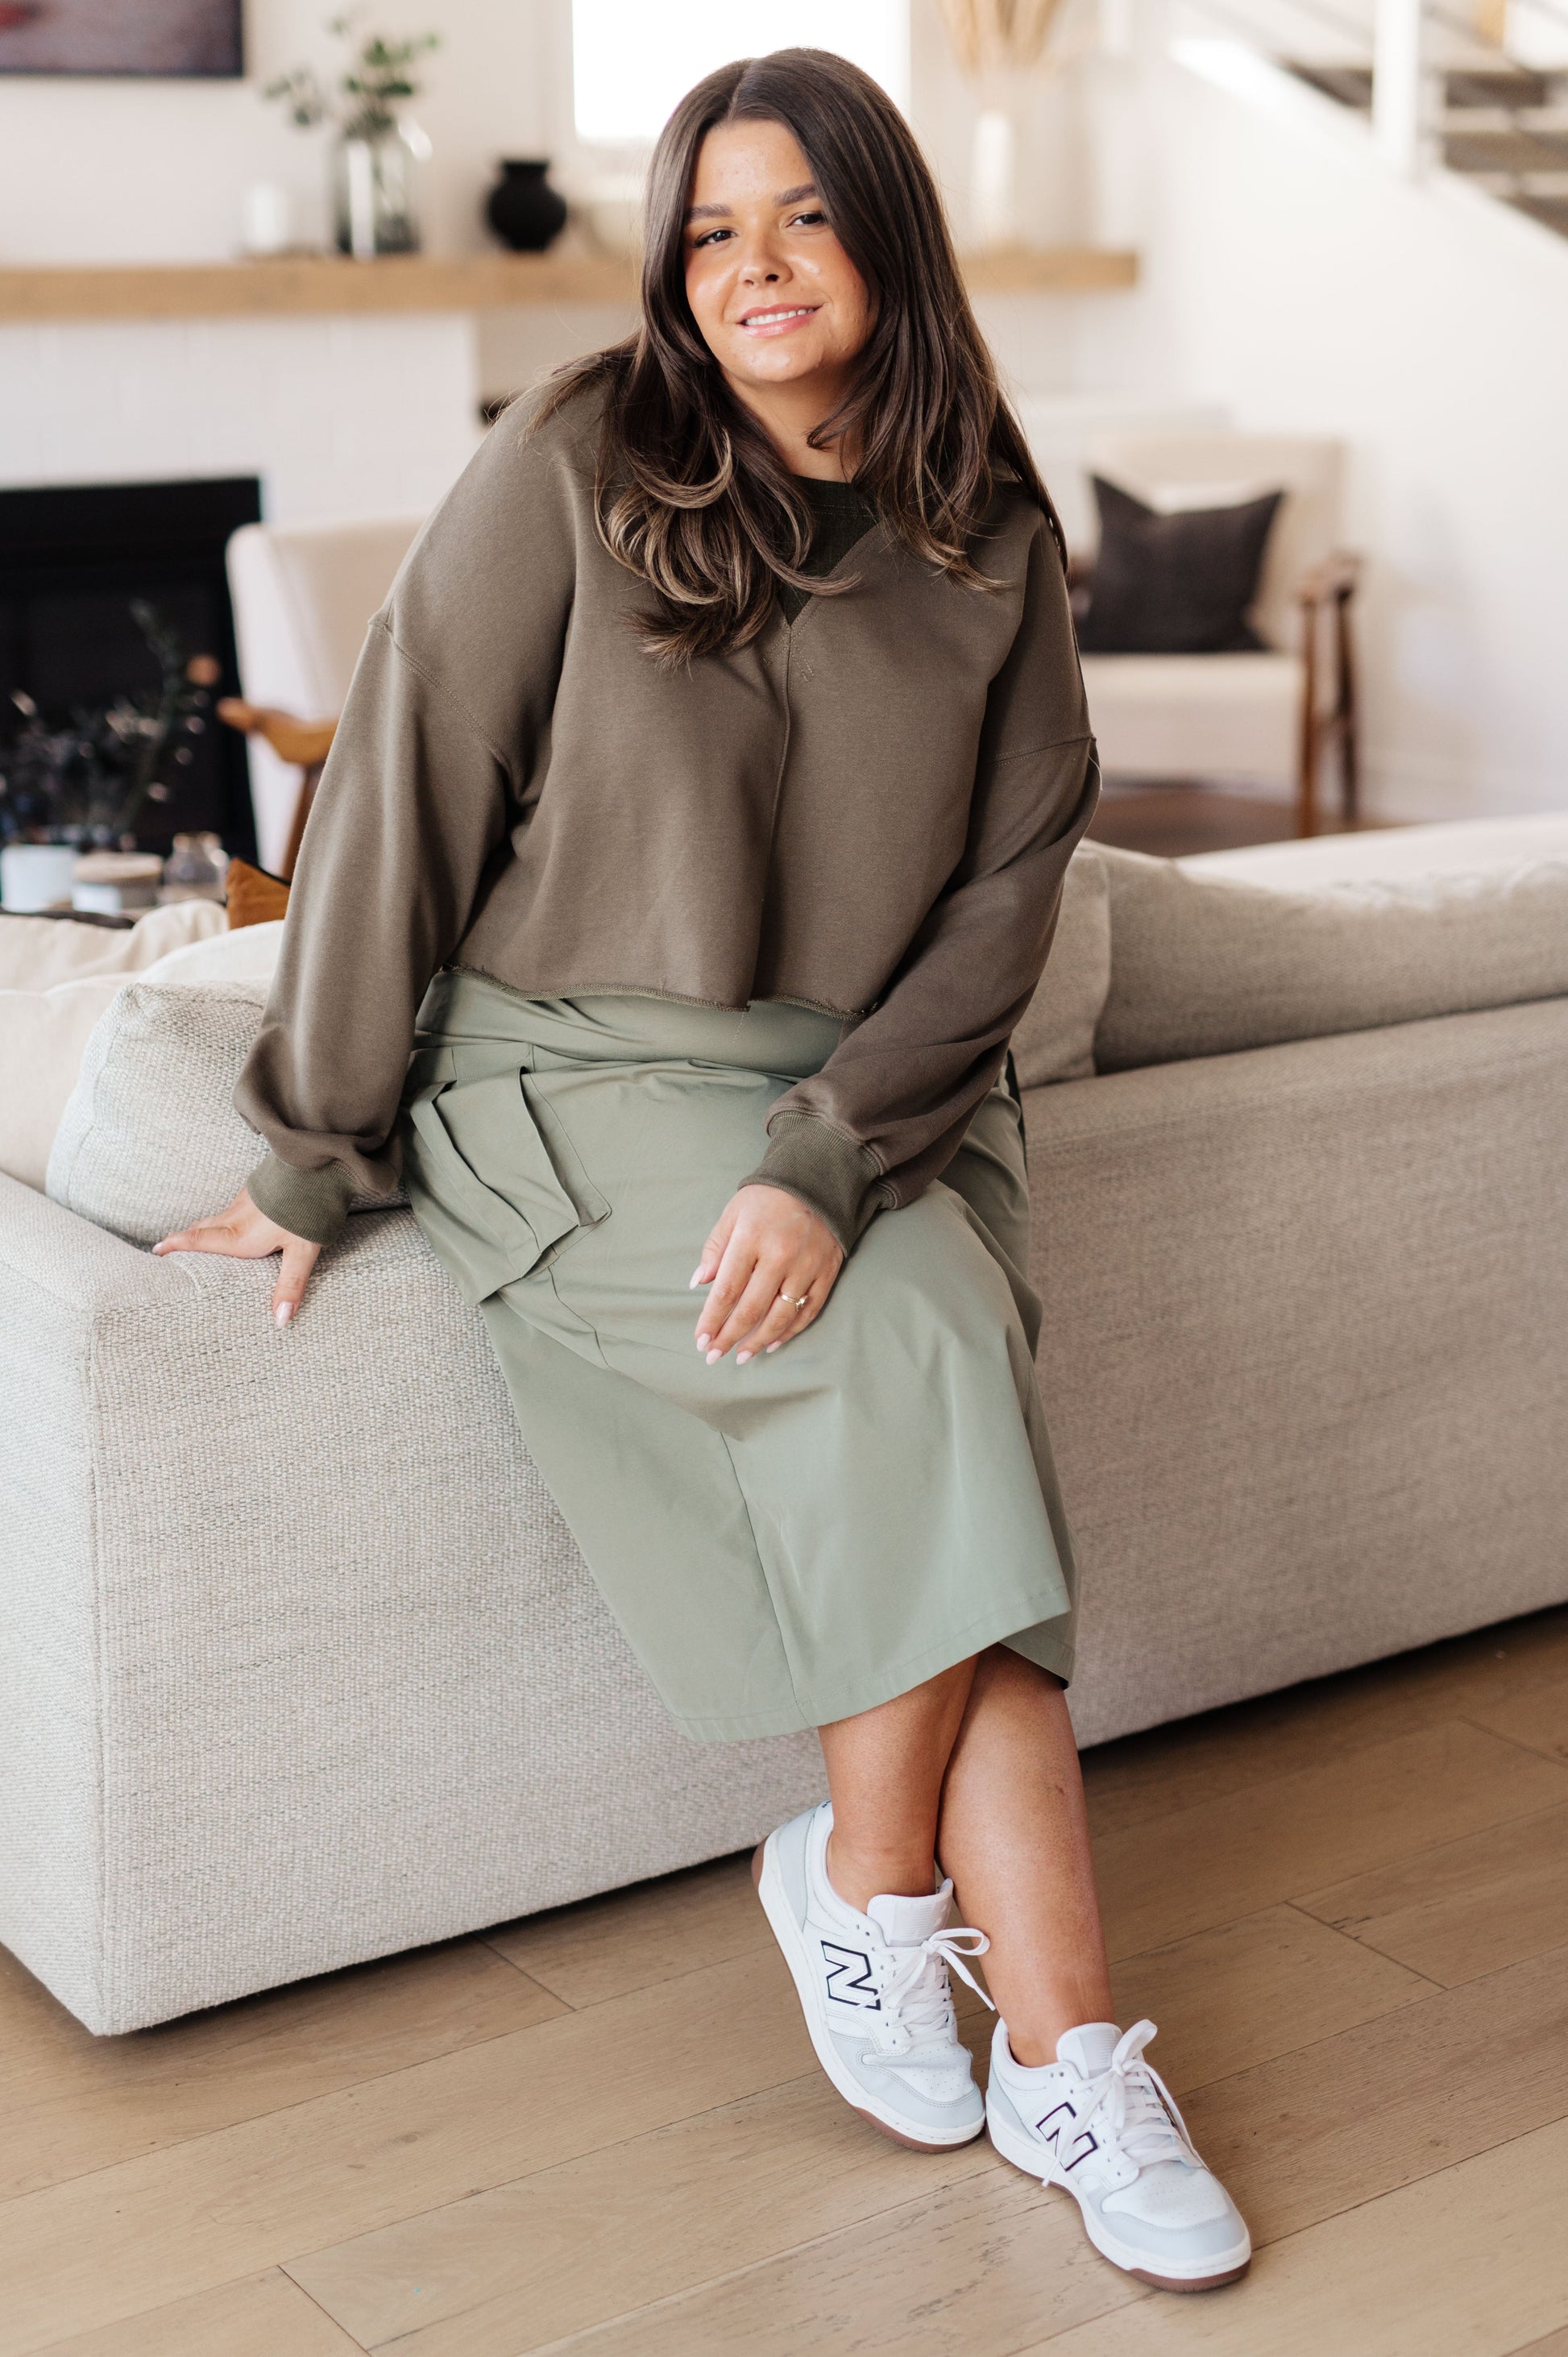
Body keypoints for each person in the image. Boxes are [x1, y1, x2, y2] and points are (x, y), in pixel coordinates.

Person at [156, 48, 1250, 2293]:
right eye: (710, 228)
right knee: (936, 1358)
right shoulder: (574, 454)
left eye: (803, 221)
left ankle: (998, 2008)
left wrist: (834, 1149)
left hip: (881, 1085)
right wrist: (307, 1147)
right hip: (569, 1072)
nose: (749, 270)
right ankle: (960, 1971)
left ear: (886, 242)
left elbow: (1004, 901)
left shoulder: (988, 538)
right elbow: (403, 789)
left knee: (953, 1488)